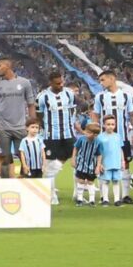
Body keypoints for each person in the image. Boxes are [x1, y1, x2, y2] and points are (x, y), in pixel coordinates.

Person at [0, 55, 35, 179]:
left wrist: (33, 124)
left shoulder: (24, 83)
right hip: (2, 128)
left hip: (20, 127)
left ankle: (25, 184)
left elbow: (31, 104)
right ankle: (7, 184)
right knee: (5, 158)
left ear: (7, 66)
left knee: (24, 155)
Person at [35, 70, 79, 204]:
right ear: (50, 83)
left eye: (62, 82)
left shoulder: (69, 94)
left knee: (77, 162)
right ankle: (52, 196)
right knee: (49, 166)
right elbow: (39, 116)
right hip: (51, 136)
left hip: (68, 134)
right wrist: (46, 128)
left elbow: (72, 111)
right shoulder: (42, 97)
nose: (61, 85)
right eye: (57, 83)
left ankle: (78, 193)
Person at [94, 114, 127, 205]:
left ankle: (117, 199)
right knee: (105, 181)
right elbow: (98, 152)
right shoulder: (100, 137)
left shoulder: (118, 136)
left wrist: (122, 161)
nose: (110, 126)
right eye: (108, 124)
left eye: (112, 124)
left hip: (116, 163)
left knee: (116, 181)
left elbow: (120, 149)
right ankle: (105, 199)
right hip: (106, 163)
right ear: (104, 125)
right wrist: (99, 164)